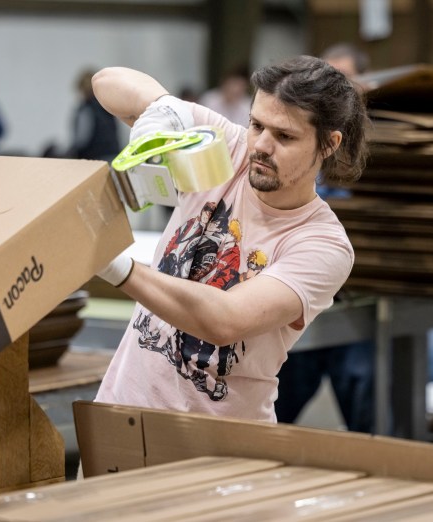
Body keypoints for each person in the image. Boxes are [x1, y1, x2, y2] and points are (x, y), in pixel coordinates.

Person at [91, 55, 368, 423]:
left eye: (284, 136)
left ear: (329, 143)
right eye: (256, 125)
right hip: (119, 412)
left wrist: (116, 266)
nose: (262, 146)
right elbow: (107, 81)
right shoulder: (225, 150)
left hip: (215, 447)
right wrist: (162, 110)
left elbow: (225, 320)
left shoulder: (322, 243)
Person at [274, 42, 375, 433]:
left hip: (356, 300)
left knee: (364, 407)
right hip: (298, 296)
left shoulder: (382, 152)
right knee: (277, 407)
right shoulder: (298, 145)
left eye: (345, 81)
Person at [67, 68, 124, 162]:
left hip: (94, 158)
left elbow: (82, 138)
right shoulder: (107, 105)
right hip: (113, 155)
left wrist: (72, 152)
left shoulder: (86, 109)